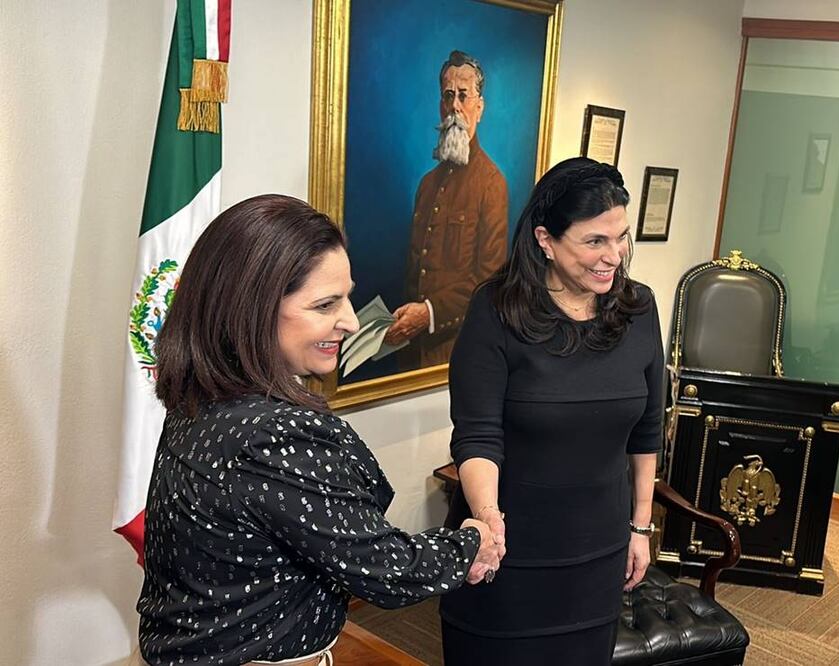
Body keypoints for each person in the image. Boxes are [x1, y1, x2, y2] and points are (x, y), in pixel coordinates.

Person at [133, 194, 502, 666]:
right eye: (325, 304)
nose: (349, 321)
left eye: (347, 296)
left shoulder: (200, 395)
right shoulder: (273, 434)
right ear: (252, 307)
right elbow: (384, 569)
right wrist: (470, 543)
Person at [439, 158, 664, 665]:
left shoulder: (640, 309)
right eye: (595, 242)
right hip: (509, 550)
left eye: (621, 237)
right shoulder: (495, 311)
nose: (613, 256)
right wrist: (489, 526)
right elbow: (476, 436)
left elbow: (648, 430)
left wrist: (641, 527)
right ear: (545, 240)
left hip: (597, 553)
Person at [385, 49, 509, 370]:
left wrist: (428, 314)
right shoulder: (427, 185)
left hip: (455, 356)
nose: (455, 106)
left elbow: (488, 281)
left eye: (464, 96)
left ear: (479, 108)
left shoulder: (491, 183)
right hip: (411, 353)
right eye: (448, 95)